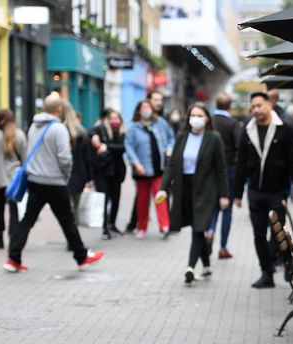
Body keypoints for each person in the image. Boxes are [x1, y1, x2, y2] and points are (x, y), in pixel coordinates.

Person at [4, 93, 104, 272]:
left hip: (35, 180)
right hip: (54, 183)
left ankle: (13, 258)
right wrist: (65, 177)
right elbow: (65, 159)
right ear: (59, 109)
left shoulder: (34, 126)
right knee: (67, 220)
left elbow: (29, 152)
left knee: (27, 219)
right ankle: (81, 256)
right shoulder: (58, 129)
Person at [234, 91, 293, 289]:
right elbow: (240, 163)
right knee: (258, 235)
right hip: (255, 191)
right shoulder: (248, 131)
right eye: (253, 106)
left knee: (277, 233)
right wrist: (237, 192)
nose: (255, 110)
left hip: (277, 191)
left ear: (269, 105)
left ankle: (287, 261)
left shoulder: (284, 130)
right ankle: (267, 273)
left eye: (259, 105)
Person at [157, 102, 229, 284]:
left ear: (207, 119)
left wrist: (223, 195)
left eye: (200, 115)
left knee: (199, 227)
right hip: (184, 188)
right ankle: (206, 265)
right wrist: (163, 188)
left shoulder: (214, 138)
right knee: (198, 226)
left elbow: (221, 168)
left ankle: (190, 267)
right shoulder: (181, 137)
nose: (195, 119)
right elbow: (172, 165)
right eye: (193, 115)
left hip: (206, 189)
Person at [125, 91, 174, 233]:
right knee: (142, 200)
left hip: (158, 168)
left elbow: (171, 138)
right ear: (139, 111)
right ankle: (141, 227)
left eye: (148, 108)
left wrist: (169, 149)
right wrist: (136, 163)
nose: (146, 111)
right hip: (142, 170)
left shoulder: (160, 123)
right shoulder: (133, 127)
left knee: (160, 196)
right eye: (143, 108)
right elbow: (129, 147)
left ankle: (164, 225)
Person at [0, 109, 27, 248]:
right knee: (14, 208)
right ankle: (13, 236)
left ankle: (0, 237)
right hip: (13, 179)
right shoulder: (19, 135)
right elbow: (25, 158)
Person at [208, 92, 242, 259]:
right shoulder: (233, 123)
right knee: (226, 208)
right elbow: (239, 146)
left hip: (209, 170)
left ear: (216, 105)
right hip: (229, 169)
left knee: (213, 205)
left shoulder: (209, 122)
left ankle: (210, 231)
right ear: (230, 106)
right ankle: (223, 247)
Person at [90, 109, 127, 240]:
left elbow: (122, 148)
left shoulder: (122, 132)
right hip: (103, 171)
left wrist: (105, 146)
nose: (114, 121)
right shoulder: (101, 129)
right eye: (112, 118)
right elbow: (91, 134)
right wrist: (95, 139)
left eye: (117, 118)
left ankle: (112, 225)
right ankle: (105, 227)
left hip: (117, 171)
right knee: (104, 199)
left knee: (116, 199)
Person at [63, 100, 93, 217]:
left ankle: (72, 222)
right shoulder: (81, 131)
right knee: (75, 203)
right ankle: (74, 220)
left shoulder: (61, 130)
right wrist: (89, 176)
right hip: (79, 172)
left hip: (67, 173)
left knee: (68, 204)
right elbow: (87, 156)